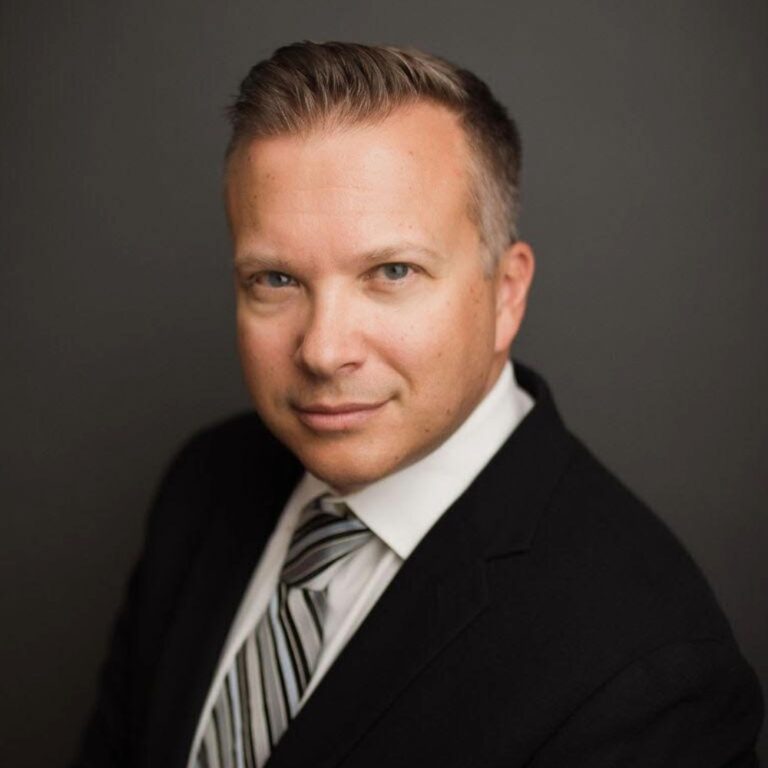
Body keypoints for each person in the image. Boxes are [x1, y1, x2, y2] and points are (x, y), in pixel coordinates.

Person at [74, 41, 763, 768]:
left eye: (392, 272)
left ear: (506, 294)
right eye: (275, 279)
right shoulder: (204, 482)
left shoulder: (647, 667)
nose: (323, 350)